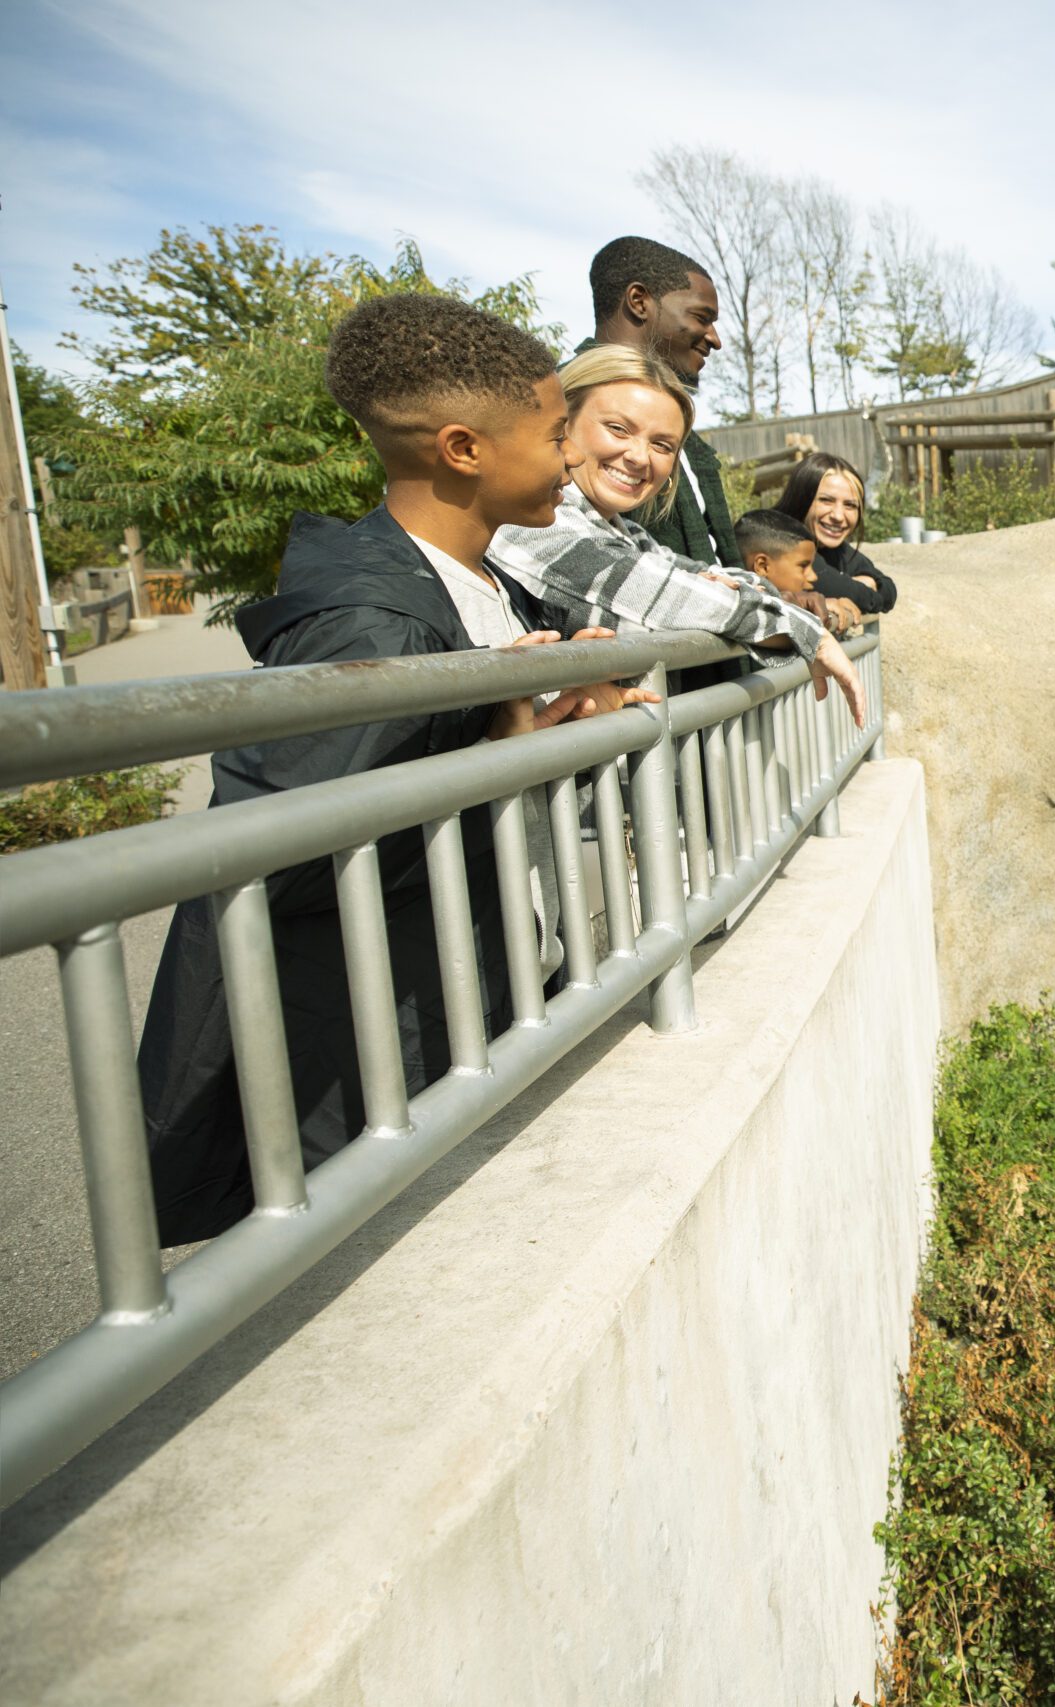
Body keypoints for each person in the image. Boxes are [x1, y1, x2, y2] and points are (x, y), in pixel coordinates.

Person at [138, 295, 645, 1245]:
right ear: (463, 449)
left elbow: (487, 752)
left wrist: (564, 717)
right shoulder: (371, 629)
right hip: (375, 1057)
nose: (572, 459)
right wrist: (503, 754)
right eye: (552, 435)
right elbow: (290, 860)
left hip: (481, 1002)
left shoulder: (495, 586)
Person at [485, 344, 868, 720]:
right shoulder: (530, 522)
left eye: (662, 444)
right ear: (563, 424)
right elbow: (657, 593)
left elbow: (701, 581)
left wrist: (716, 591)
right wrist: (804, 629)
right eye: (618, 429)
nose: (639, 456)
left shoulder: (627, 534)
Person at [582, 235, 736, 567]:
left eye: (662, 445)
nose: (715, 339)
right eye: (701, 317)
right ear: (639, 301)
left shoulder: (685, 434)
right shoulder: (562, 404)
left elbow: (712, 565)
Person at [775, 452, 898, 620]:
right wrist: (863, 588)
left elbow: (888, 589)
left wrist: (865, 587)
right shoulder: (778, 536)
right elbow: (830, 586)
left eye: (850, 505)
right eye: (826, 500)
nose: (838, 516)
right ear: (801, 498)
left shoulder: (834, 548)